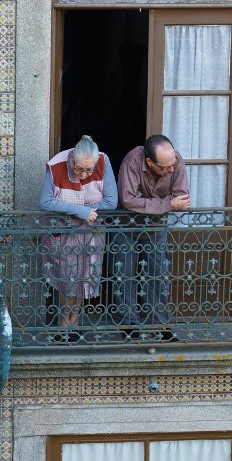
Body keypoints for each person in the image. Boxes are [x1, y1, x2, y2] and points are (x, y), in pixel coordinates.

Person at [111, 135, 191, 337]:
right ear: (149, 162)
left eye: (172, 165)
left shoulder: (175, 161)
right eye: (165, 167)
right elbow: (128, 200)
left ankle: (159, 324)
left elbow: (181, 197)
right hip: (125, 224)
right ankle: (129, 324)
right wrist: (166, 204)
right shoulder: (132, 160)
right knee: (124, 274)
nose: (171, 170)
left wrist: (149, 204)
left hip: (156, 226)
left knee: (158, 273)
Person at [39, 135, 118, 337]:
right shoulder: (56, 165)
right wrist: (80, 211)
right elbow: (45, 202)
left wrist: (83, 210)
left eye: (89, 170)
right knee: (69, 280)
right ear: (72, 157)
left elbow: (111, 201)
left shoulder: (103, 161)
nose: (83, 174)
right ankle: (63, 324)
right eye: (78, 169)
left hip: (92, 232)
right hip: (64, 233)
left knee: (85, 279)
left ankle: (73, 322)